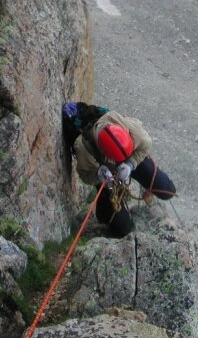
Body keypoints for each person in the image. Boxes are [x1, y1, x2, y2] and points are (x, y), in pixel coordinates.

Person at [62, 101, 176, 237]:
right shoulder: (84, 148)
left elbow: (145, 145)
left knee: (168, 190)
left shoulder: (127, 127)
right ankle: (104, 212)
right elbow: (84, 176)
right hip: (106, 176)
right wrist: (99, 174)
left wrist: (130, 164)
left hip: (131, 159)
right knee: (123, 229)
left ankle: (140, 181)